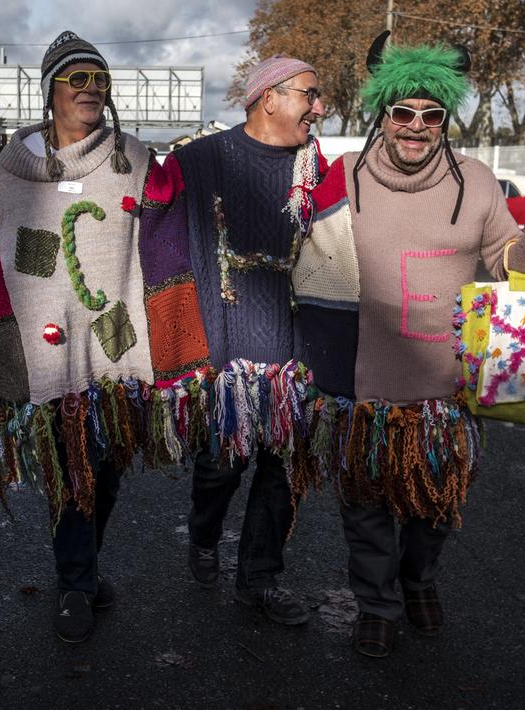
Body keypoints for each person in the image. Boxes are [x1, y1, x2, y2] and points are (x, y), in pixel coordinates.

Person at [299, 32, 525, 657]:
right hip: (359, 380)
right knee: (366, 501)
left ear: (444, 120)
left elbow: (510, 262)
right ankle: (376, 604)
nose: (417, 127)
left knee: (435, 502)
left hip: (444, 385)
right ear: (384, 113)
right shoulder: (341, 178)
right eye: (404, 112)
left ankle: (418, 577)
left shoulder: (476, 181)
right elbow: (296, 246)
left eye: (431, 115)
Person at [0, 31, 208, 643]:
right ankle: (76, 582)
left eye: (100, 80)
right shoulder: (13, 165)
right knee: (68, 469)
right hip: (40, 348)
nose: (90, 90)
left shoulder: (132, 157)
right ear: (50, 89)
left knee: (104, 469)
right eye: (76, 79)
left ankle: (80, 569)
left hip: (115, 345)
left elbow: (164, 237)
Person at [171, 55, 327, 626]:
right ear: (270, 97)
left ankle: (260, 580)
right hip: (226, 351)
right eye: (309, 95)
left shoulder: (316, 169)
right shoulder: (200, 160)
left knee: (282, 472)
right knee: (222, 467)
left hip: (297, 355)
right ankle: (204, 534)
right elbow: (155, 234)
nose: (319, 107)